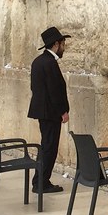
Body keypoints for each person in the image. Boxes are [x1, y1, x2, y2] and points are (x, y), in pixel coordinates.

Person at [28, 27, 71, 194]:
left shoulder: (38, 61)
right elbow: (55, 91)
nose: (64, 48)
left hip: (42, 111)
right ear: (56, 44)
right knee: (49, 148)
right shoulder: (50, 63)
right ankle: (41, 183)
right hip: (51, 112)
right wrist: (63, 111)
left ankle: (39, 180)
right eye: (63, 44)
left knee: (46, 146)